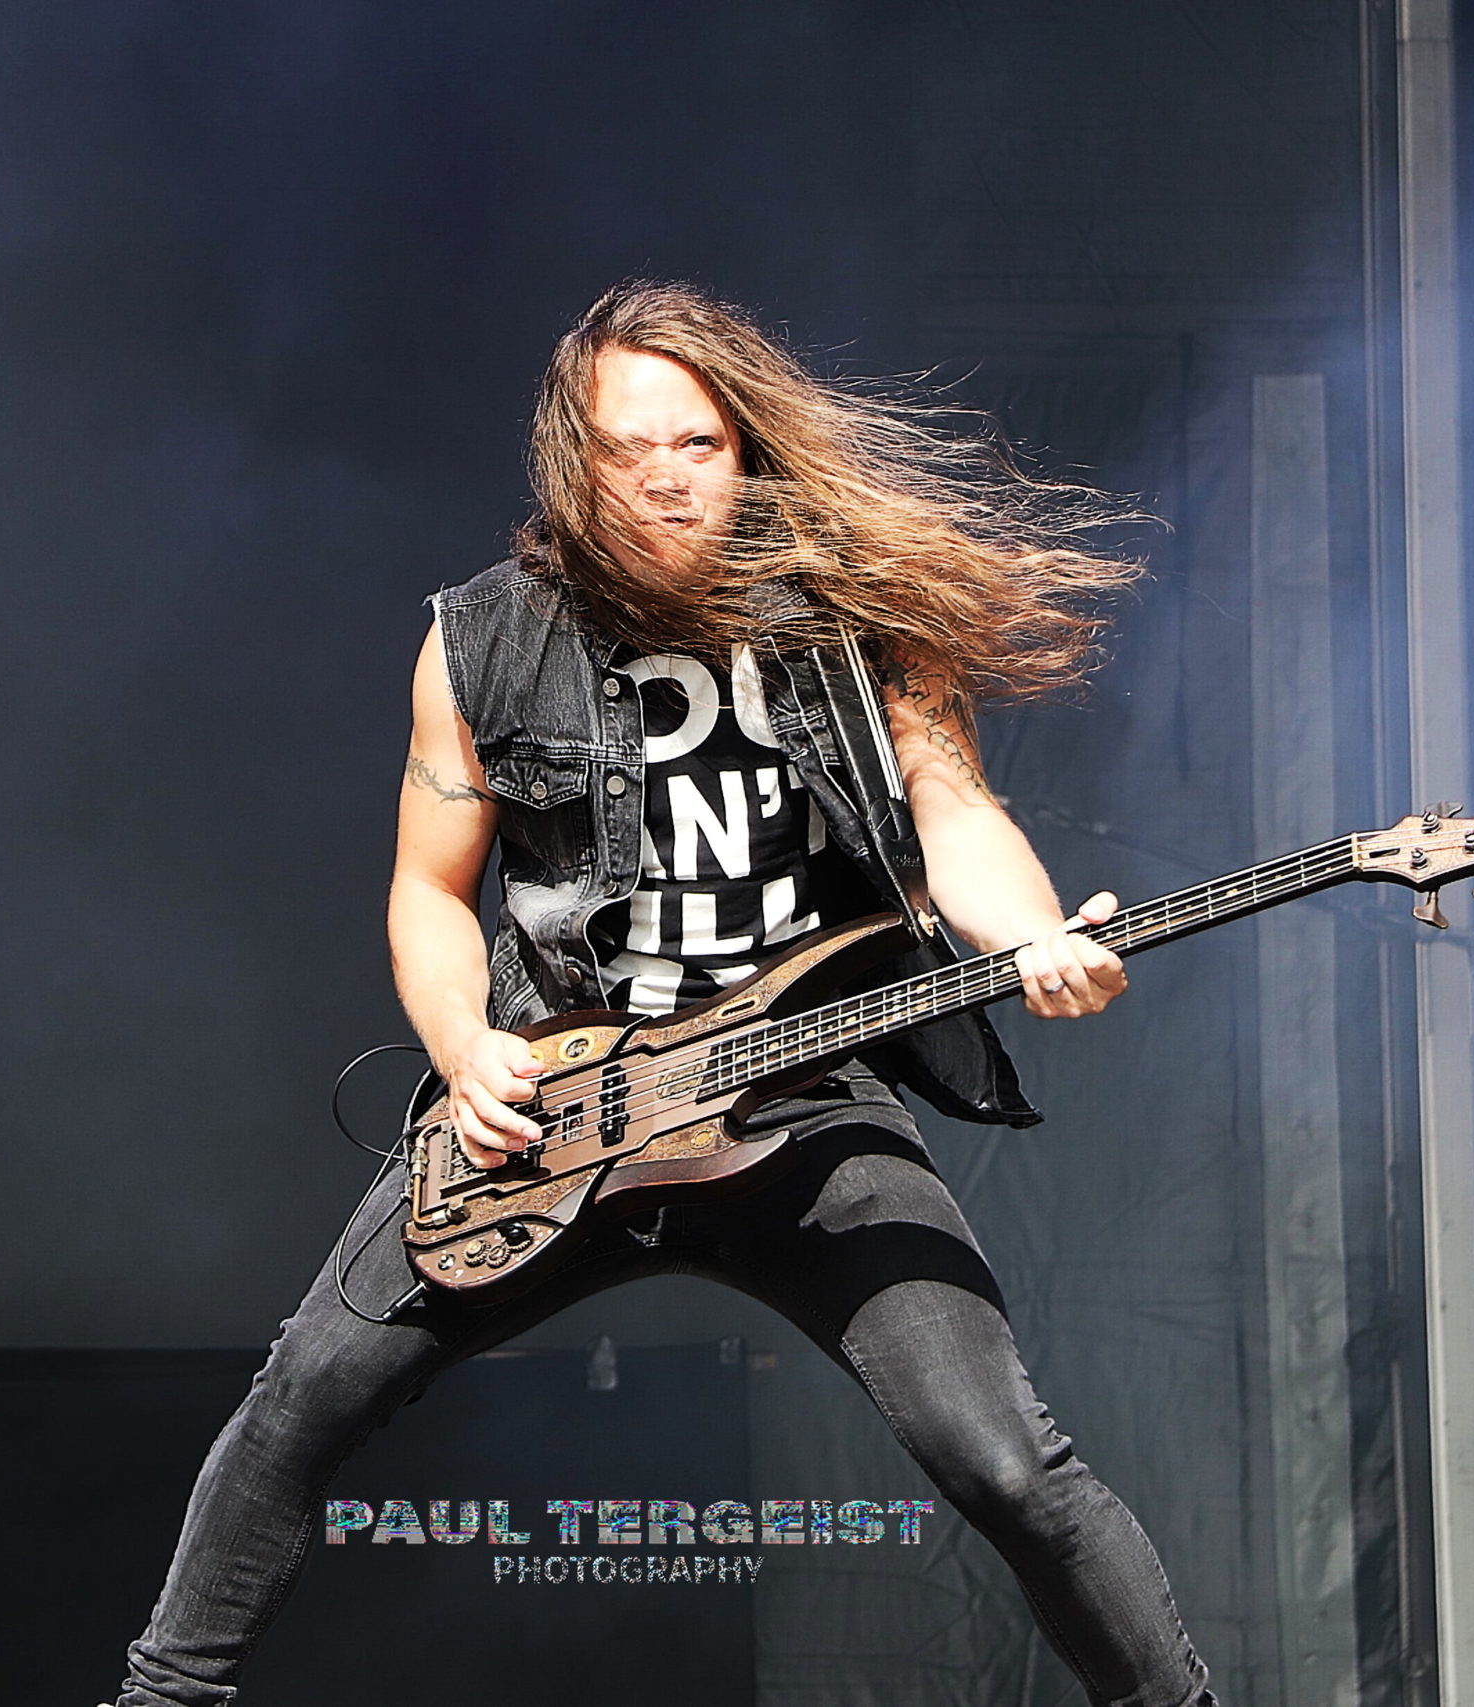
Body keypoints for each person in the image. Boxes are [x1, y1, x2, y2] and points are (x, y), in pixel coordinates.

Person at [116, 282, 1216, 1707]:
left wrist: (1035, 938)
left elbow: (954, 813)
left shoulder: (858, 619)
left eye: (697, 442)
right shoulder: (481, 638)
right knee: (299, 1403)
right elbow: (428, 891)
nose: (666, 476)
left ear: (747, 449)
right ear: (573, 461)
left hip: (800, 1098)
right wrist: (465, 1049)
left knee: (1007, 1461)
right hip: (556, 1103)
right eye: (628, 447)